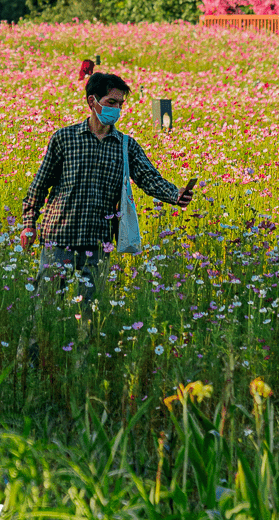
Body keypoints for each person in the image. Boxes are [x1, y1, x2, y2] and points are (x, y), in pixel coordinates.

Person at [17, 70, 195, 361]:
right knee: (43, 311)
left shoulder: (125, 146)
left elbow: (150, 178)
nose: (117, 109)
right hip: (58, 240)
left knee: (90, 317)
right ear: (92, 101)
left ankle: (81, 373)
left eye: (121, 104)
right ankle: (29, 370)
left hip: (98, 245)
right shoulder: (65, 139)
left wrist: (175, 195)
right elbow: (38, 187)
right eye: (112, 101)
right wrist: (29, 226)